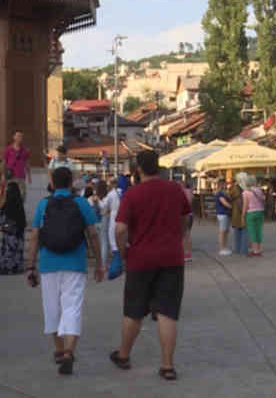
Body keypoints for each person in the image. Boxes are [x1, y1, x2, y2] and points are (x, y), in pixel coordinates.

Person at [110, 150, 191, 381]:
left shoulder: (133, 194)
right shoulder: (174, 190)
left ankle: (123, 356)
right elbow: (186, 216)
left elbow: (120, 229)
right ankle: (167, 366)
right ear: (159, 167)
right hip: (171, 258)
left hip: (141, 259)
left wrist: (123, 250)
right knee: (167, 313)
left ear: (138, 170)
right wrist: (179, 235)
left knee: (134, 311)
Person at [25, 166, 102, 376]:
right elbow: (93, 234)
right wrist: (100, 263)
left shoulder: (43, 204)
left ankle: (59, 350)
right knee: (72, 307)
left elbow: (34, 237)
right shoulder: (81, 203)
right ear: (70, 184)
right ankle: (69, 352)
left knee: (52, 308)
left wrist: (30, 266)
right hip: (75, 263)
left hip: (49, 263)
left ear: (52, 184)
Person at [0, 181, 27, 275]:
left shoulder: (9, 203)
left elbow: (2, 215)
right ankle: (17, 268)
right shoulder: (19, 203)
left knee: (9, 250)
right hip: (19, 232)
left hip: (10, 232)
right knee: (17, 250)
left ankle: (7, 268)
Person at [2, 130, 32, 200]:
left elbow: (27, 163)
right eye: (18, 136)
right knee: (10, 196)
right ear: (14, 137)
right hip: (10, 177)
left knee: (22, 196)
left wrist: (29, 176)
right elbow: (4, 162)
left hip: (21, 177)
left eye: (21, 136)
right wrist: (3, 175)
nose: (19, 138)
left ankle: (20, 209)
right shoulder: (8, 149)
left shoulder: (25, 150)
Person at [243, 176, 267, 256]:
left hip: (251, 213)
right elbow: (264, 199)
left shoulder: (245, 192)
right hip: (260, 212)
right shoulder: (259, 190)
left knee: (252, 232)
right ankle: (259, 250)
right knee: (259, 231)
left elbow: (245, 205)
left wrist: (243, 215)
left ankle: (255, 250)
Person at [214, 179, 232, 256]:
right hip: (222, 214)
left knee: (226, 231)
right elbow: (224, 203)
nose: (226, 185)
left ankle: (225, 247)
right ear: (221, 185)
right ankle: (222, 249)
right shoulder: (219, 194)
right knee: (222, 231)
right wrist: (232, 207)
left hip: (225, 214)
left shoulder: (224, 193)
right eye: (225, 184)